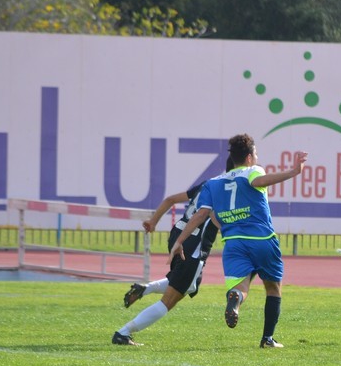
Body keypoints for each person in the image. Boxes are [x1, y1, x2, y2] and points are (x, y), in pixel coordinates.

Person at [170, 134, 308, 348]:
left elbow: (201, 214)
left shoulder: (213, 183)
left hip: (234, 243)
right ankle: (267, 339)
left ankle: (235, 297)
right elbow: (259, 182)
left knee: (241, 287)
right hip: (262, 239)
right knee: (273, 288)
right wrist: (293, 172)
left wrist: (179, 240)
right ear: (250, 157)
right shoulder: (253, 171)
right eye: (256, 153)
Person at [111, 160, 224, 345]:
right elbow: (210, 216)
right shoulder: (226, 190)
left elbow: (170, 199)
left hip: (177, 234)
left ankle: (146, 288)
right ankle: (123, 333)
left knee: (189, 284)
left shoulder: (207, 184)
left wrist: (153, 221)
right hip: (193, 244)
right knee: (170, 300)